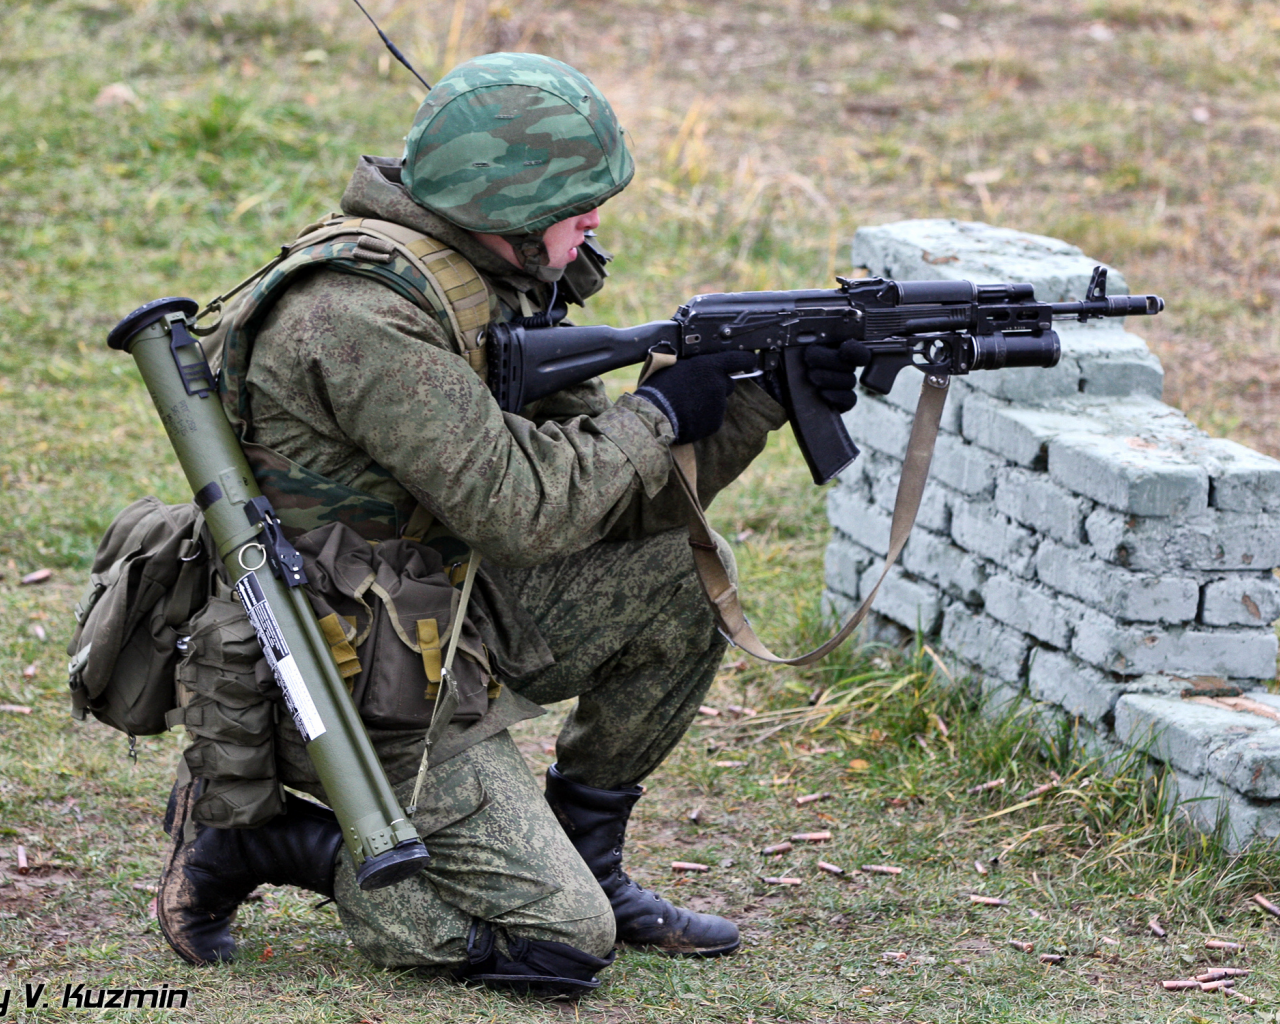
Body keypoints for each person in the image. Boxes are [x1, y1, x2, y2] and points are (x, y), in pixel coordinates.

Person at [156, 51, 859, 996]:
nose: (596, 221)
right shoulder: (358, 315)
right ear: (503, 205)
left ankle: (589, 857)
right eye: (577, 205)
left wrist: (754, 400)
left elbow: (608, 502)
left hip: (446, 609)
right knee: (564, 948)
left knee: (687, 572)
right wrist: (655, 413)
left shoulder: (486, 277)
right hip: (350, 677)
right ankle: (256, 841)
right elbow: (526, 509)